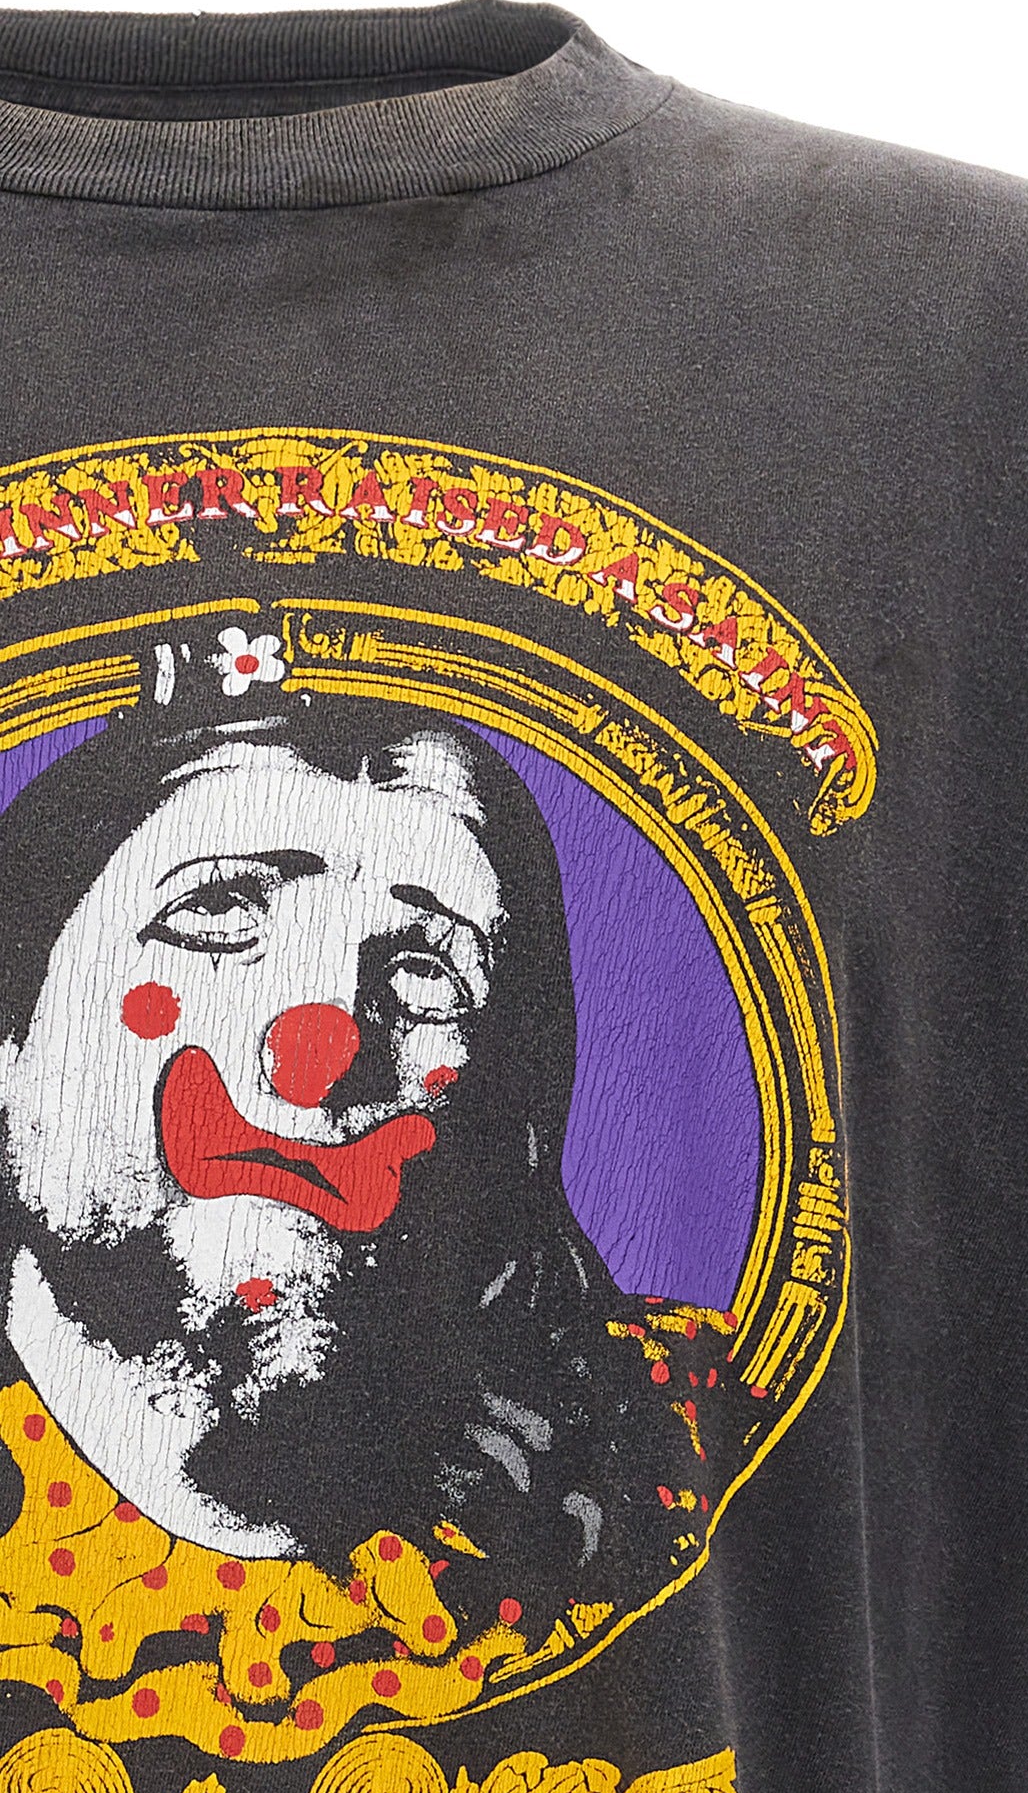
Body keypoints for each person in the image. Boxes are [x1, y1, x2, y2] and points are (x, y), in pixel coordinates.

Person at [0, 636, 723, 1646]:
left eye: (427, 967)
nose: (326, 1048)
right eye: (216, 911)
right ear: (16, 1029)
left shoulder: (696, 1426)